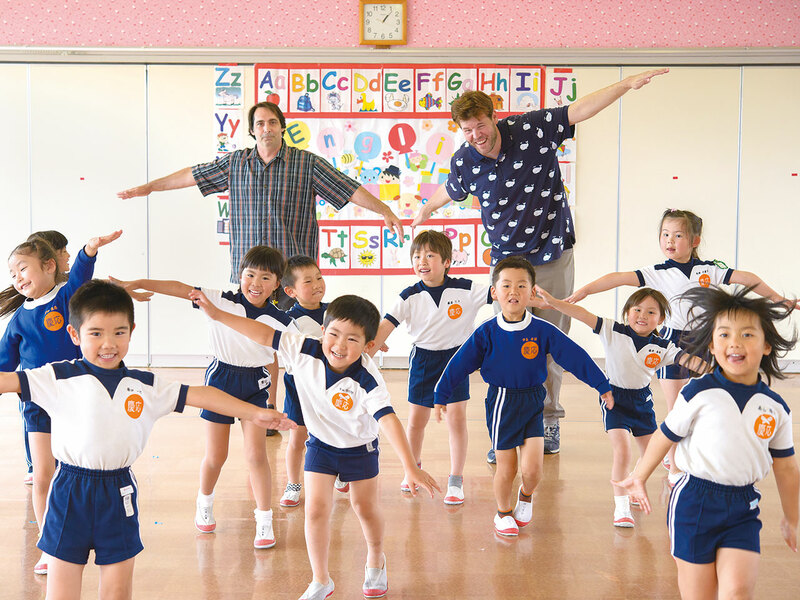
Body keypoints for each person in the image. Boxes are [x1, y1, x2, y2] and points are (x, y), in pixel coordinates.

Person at [412, 69, 669, 455]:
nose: (475, 135)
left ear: (493, 117)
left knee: (551, 344)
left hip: (551, 253)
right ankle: (507, 425)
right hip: (505, 263)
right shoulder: (465, 160)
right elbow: (450, 191)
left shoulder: (531, 128)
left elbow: (578, 110)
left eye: (480, 125)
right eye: (466, 129)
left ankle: (547, 422)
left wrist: (623, 85)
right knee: (506, 344)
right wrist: (424, 212)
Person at [0, 279, 294, 599]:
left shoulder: (144, 385)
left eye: (119, 332)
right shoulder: (57, 377)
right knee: (61, 591)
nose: (108, 343)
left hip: (119, 491)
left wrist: (253, 411)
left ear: (132, 330)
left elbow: (200, 394)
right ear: (74, 334)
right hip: (70, 492)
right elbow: (6, 380)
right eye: (95, 333)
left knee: (117, 591)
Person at [189, 290, 440, 600]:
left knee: (365, 508)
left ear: (369, 346)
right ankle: (321, 579)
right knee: (316, 511)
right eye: (333, 334)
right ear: (323, 331)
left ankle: (376, 557)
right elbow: (264, 333)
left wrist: (409, 466)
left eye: (352, 339)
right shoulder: (303, 349)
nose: (339, 344)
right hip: (320, 445)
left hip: (358, 449)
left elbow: (387, 418)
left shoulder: (367, 379)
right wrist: (218, 316)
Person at [566, 208, 799, 485]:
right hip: (671, 342)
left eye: (678, 235)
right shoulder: (656, 273)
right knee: (678, 407)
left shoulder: (709, 270)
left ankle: (701, 451)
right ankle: (675, 465)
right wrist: (585, 291)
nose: (670, 240)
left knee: (710, 397)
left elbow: (748, 278)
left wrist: (776, 298)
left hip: (706, 340)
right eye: (665, 234)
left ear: (695, 241)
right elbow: (617, 278)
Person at [117, 101, 405, 309]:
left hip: (292, 270)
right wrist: (150, 187)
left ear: (282, 127)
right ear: (253, 131)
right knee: (250, 332)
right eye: (260, 123)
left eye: (272, 122)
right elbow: (192, 174)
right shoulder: (235, 163)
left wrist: (385, 210)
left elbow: (348, 188)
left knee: (292, 337)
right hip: (250, 272)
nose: (266, 128)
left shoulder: (307, 164)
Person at [616, 285, 799, 600]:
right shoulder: (698, 392)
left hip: (744, 506)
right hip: (694, 502)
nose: (735, 343)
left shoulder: (776, 408)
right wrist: (639, 476)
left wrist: (792, 518)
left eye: (747, 335)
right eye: (724, 335)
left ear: (767, 346)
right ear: (712, 347)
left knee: (738, 592)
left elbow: (786, 469)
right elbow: (665, 434)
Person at [109, 246, 296, 548]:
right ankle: (204, 501)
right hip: (221, 379)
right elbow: (180, 289)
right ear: (240, 275)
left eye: (265, 277)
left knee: (256, 455)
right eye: (250, 275)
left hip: (254, 384)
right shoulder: (220, 300)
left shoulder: (281, 321)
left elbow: (279, 359)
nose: (255, 283)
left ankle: (264, 519)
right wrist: (137, 283)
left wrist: (273, 399)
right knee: (216, 455)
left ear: (276, 284)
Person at [433, 257, 613, 537]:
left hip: (533, 402)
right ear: (495, 292)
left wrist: (601, 385)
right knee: (507, 466)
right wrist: (441, 395)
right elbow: (459, 364)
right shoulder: (486, 333)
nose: (513, 291)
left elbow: (574, 356)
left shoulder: (542, 331)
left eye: (521, 286)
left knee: (532, 471)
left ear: (532, 293)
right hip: (502, 403)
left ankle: (526, 495)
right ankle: (503, 512)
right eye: (506, 285)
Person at [0, 229, 122, 575]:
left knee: (83, 471)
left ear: (49, 266)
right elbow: (3, 365)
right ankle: (49, 545)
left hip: (77, 400)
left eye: (23, 269)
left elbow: (82, 272)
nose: (17, 278)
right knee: (43, 475)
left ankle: (92, 531)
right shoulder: (19, 319)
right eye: (12, 273)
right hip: (37, 403)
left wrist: (90, 248)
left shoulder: (67, 296)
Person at [535, 285, 706, 527]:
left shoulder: (663, 346)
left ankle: (635, 481)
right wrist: (552, 302)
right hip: (614, 399)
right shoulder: (612, 330)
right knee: (623, 452)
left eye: (650, 312)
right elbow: (580, 313)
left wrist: (721, 370)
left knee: (651, 455)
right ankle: (622, 507)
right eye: (637, 309)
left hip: (642, 403)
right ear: (627, 312)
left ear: (662, 319)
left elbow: (688, 360)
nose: (642, 316)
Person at [367, 230, 492, 505]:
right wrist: (367, 349)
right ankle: (413, 468)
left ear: (447, 261)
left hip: (456, 360)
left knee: (456, 420)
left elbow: (503, 294)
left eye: (430, 255)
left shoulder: (467, 289)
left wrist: (534, 295)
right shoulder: (409, 295)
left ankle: (456, 479)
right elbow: (384, 327)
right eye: (417, 256)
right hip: (423, 360)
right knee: (416, 422)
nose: (422, 261)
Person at [278, 254, 349, 507]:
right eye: (308, 281)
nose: (317, 283)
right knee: (298, 438)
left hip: (331, 384)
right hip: (299, 387)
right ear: (291, 291)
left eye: (319, 277)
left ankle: (340, 473)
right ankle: (293, 483)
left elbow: (353, 335)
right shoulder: (287, 320)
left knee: (336, 431)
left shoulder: (335, 312)